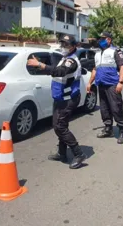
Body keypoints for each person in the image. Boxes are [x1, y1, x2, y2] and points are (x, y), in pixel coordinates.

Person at [26, 36, 86, 169]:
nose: (64, 46)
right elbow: (56, 70)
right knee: (59, 125)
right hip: (60, 98)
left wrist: (40, 65)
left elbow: (60, 71)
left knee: (60, 127)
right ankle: (62, 153)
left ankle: (78, 153)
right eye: (62, 43)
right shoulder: (65, 58)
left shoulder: (72, 61)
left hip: (68, 99)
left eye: (67, 44)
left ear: (73, 46)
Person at [87, 32, 123, 144]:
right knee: (104, 108)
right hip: (101, 85)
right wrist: (90, 82)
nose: (100, 41)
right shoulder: (97, 54)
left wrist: (120, 82)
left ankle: (122, 131)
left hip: (112, 85)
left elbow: (122, 67)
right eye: (100, 39)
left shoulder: (115, 51)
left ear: (109, 40)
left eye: (103, 39)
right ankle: (108, 129)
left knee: (116, 107)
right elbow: (95, 69)